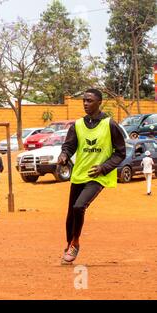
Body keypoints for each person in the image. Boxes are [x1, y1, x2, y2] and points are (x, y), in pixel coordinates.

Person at [57, 88, 126, 264]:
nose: (86, 104)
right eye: (84, 101)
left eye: (90, 101)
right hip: (79, 174)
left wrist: (103, 167)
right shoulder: (77, 125)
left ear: (99, 102)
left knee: (79, 207)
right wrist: (64, 156)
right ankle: (68, 243)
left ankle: (75, 243)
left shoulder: (110, 124)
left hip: (99, 176)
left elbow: (120, 152)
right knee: (71, 214)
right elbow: (68, 147)